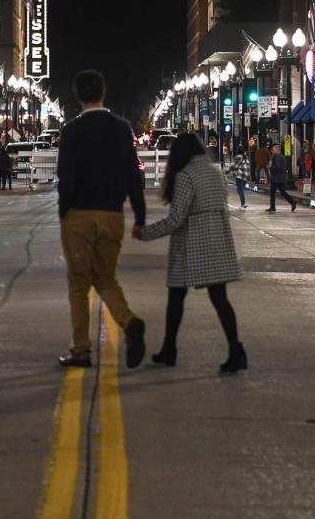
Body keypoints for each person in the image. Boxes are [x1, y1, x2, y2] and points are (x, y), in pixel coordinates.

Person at [56, 69, 147, 369]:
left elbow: (65, 176)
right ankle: (129, 322)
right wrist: (140, 215)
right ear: (103, 93)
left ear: (78, 96)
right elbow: (133, 174)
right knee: (105, 277)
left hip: (79, 215)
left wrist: (64, 209)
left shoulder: (71, 131)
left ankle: (81, 349)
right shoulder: (121, 129)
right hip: (112, 214)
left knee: (79, 283)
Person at [136, 132, 246, 373]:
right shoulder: (214, 173)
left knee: (176, 298)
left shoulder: (186, 176)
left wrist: (144, 233)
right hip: (219, 240)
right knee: (220, 299)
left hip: (192, 243)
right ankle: (236, 350)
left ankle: (169, 349)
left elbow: (176, 220)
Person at [266, 143, 297, 212]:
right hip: (282, 177)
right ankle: (292, 202)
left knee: (272, 192)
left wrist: (270, 167)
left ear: (277, 150)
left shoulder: (277, 157)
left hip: (276, 178)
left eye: (273, 150)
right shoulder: (283, 157)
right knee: (283, 191)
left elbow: (277, 167)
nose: (272, 151)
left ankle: (272, 207)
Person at [227, 144, 250, 209]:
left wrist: (226, 172)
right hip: (246, 176)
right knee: (240, 190)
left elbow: (233, 166)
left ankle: (243, 205)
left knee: (240, 190)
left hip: (240, 175)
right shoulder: (246, 157)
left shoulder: (238, 157)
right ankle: (243, 204)